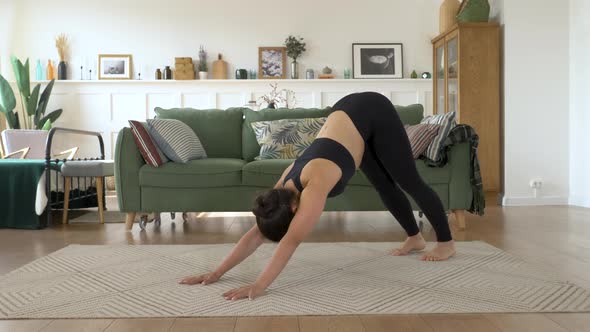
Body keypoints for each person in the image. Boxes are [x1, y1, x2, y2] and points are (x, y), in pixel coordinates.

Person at [180, 92, 456, 300]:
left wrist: (259, 285)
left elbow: (291, 241)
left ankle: (446, 242)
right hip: (348, 117)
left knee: (409, 180)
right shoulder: (281, 190)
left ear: (295, 207)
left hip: (373, 109)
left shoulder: (315, 186)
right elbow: (256, 234)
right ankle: (415, 238)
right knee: (383, 185)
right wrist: (216, 273)